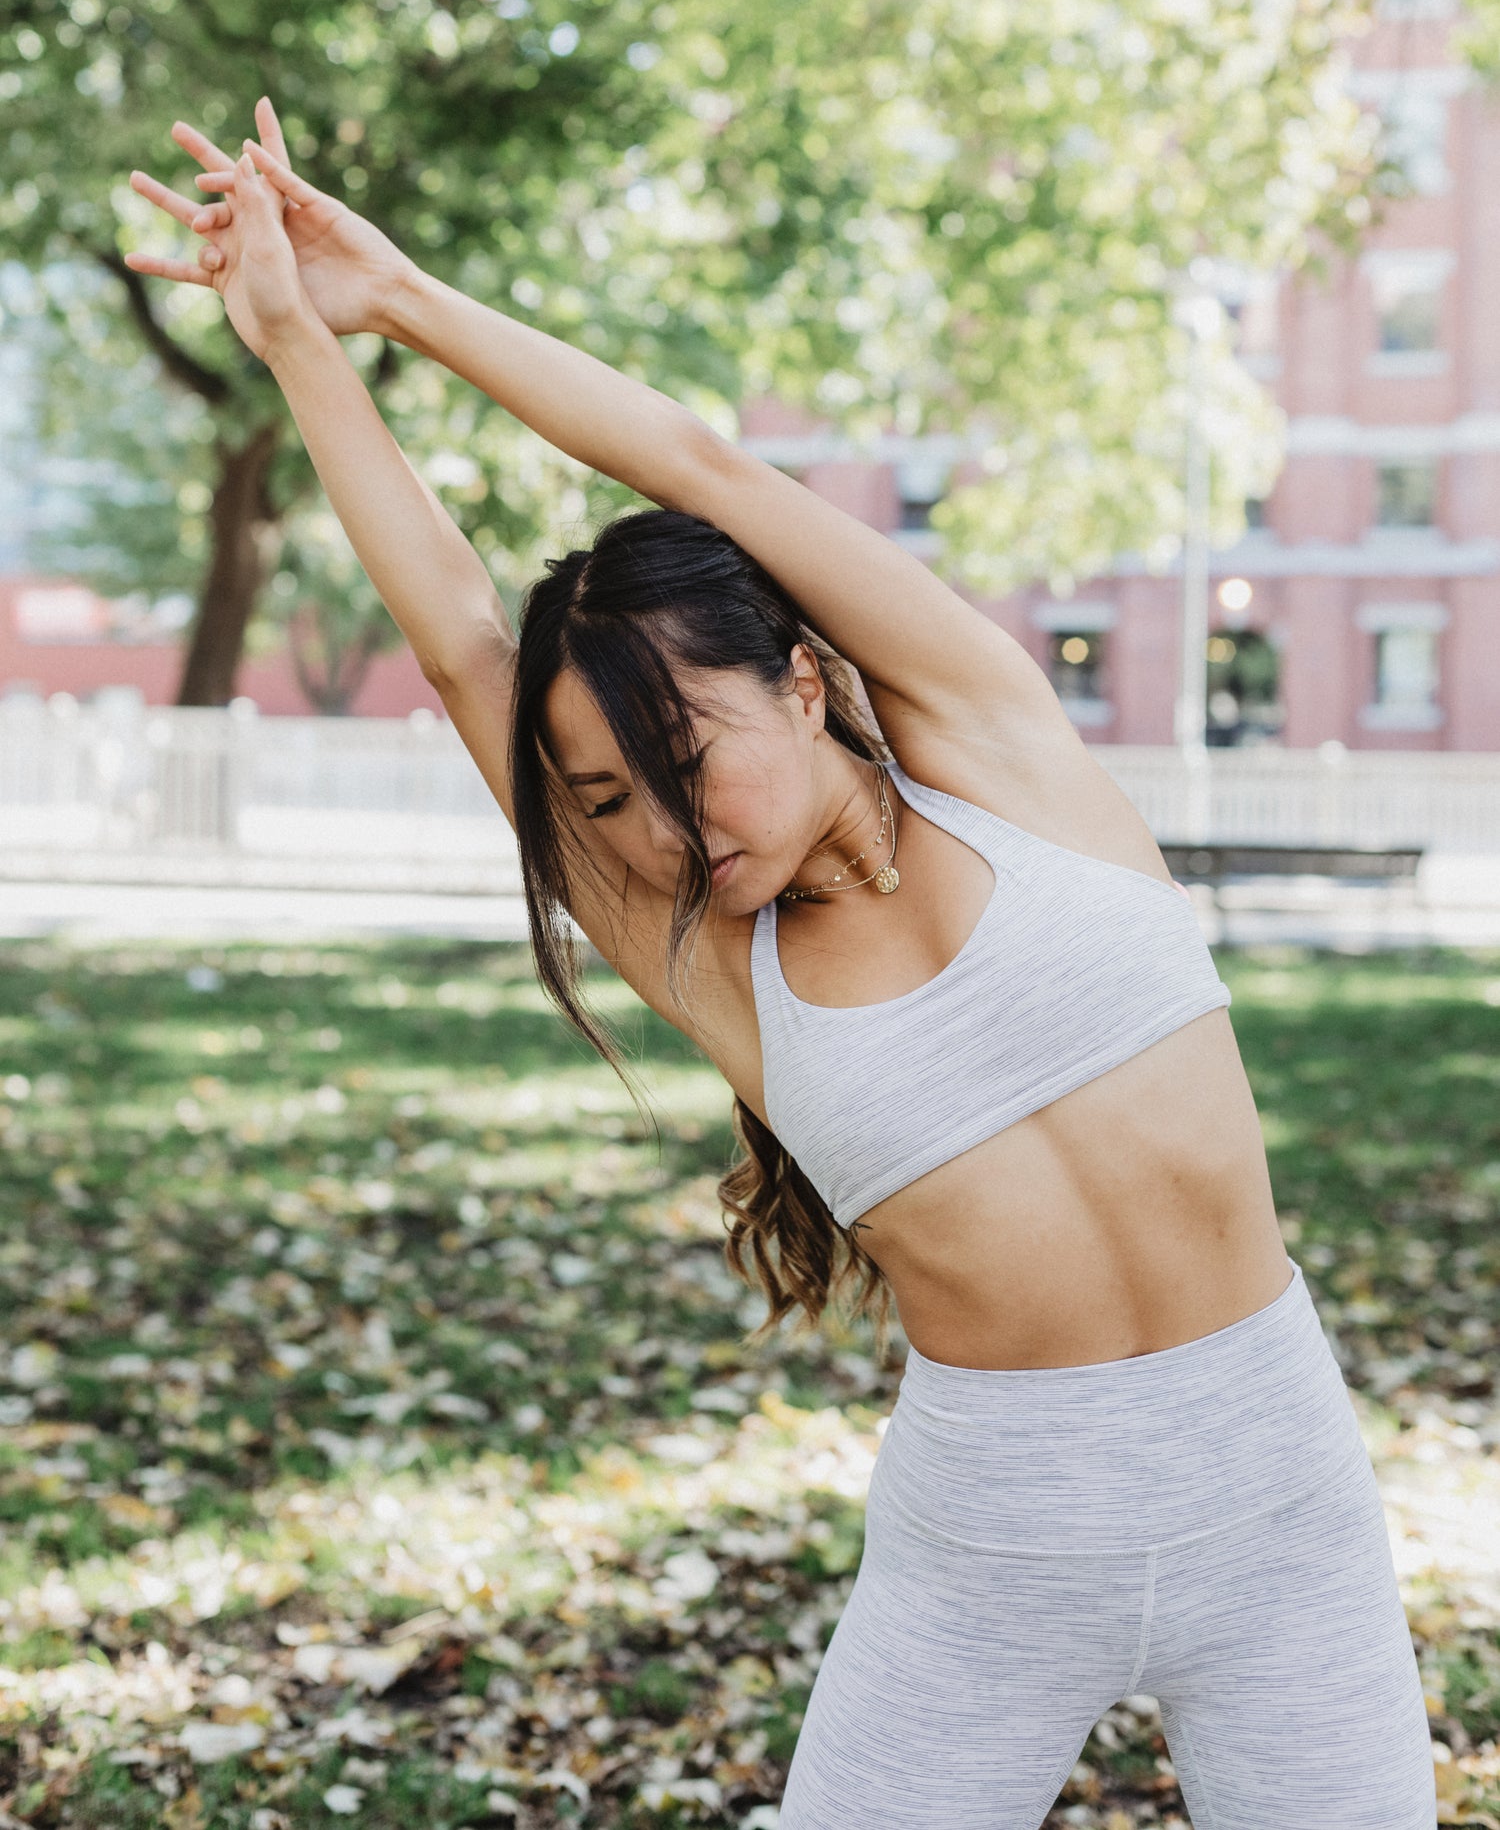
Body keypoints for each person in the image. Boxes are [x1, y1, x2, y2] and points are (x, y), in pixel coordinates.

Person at [126, 105, 1437, 1830]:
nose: (662, 827)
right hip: (993, 1540)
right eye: (607, 798)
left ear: (806, 681)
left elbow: (709, 469)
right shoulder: (722, 967)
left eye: (686, 753)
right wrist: (295, 343)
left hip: (1278, 1497)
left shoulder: (999, 745)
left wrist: (402, 298)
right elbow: (459, 646)